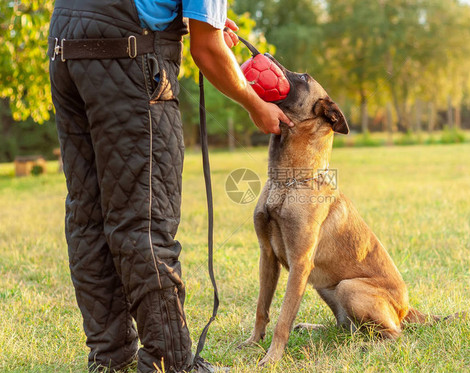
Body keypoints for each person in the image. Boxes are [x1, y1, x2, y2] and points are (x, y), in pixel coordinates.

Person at [48, 0, 292, 372]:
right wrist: (254, 103)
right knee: (144, 218)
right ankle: (170, 361)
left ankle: (110, 355)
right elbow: (207, 50)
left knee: (88, 212)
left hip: (65, 45)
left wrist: (192, 20)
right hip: (129, 56)